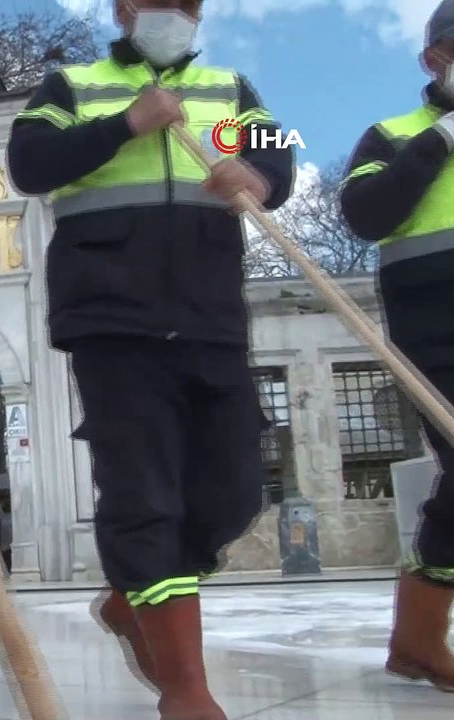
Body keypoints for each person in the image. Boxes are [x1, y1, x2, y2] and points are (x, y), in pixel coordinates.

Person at [5, 0, 294, 717]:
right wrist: (126, 123)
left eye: (188, 3)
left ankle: (132, 593)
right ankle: (185, 688)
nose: (175, 13)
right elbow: (29, 163)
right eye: (158, 2)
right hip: (111, 317)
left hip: (211, 316)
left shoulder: (231, 89)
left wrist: (257, 179)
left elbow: (278, 153)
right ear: (124, 9)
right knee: (145, 498)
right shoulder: (72, 85)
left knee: (233, 493)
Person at [338, 0, 454, 692]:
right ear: (434, 59)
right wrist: (441, 138)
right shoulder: (390, 133)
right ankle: (417, 636)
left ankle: (416, 639)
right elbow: (366, 214)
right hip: (434, 324)